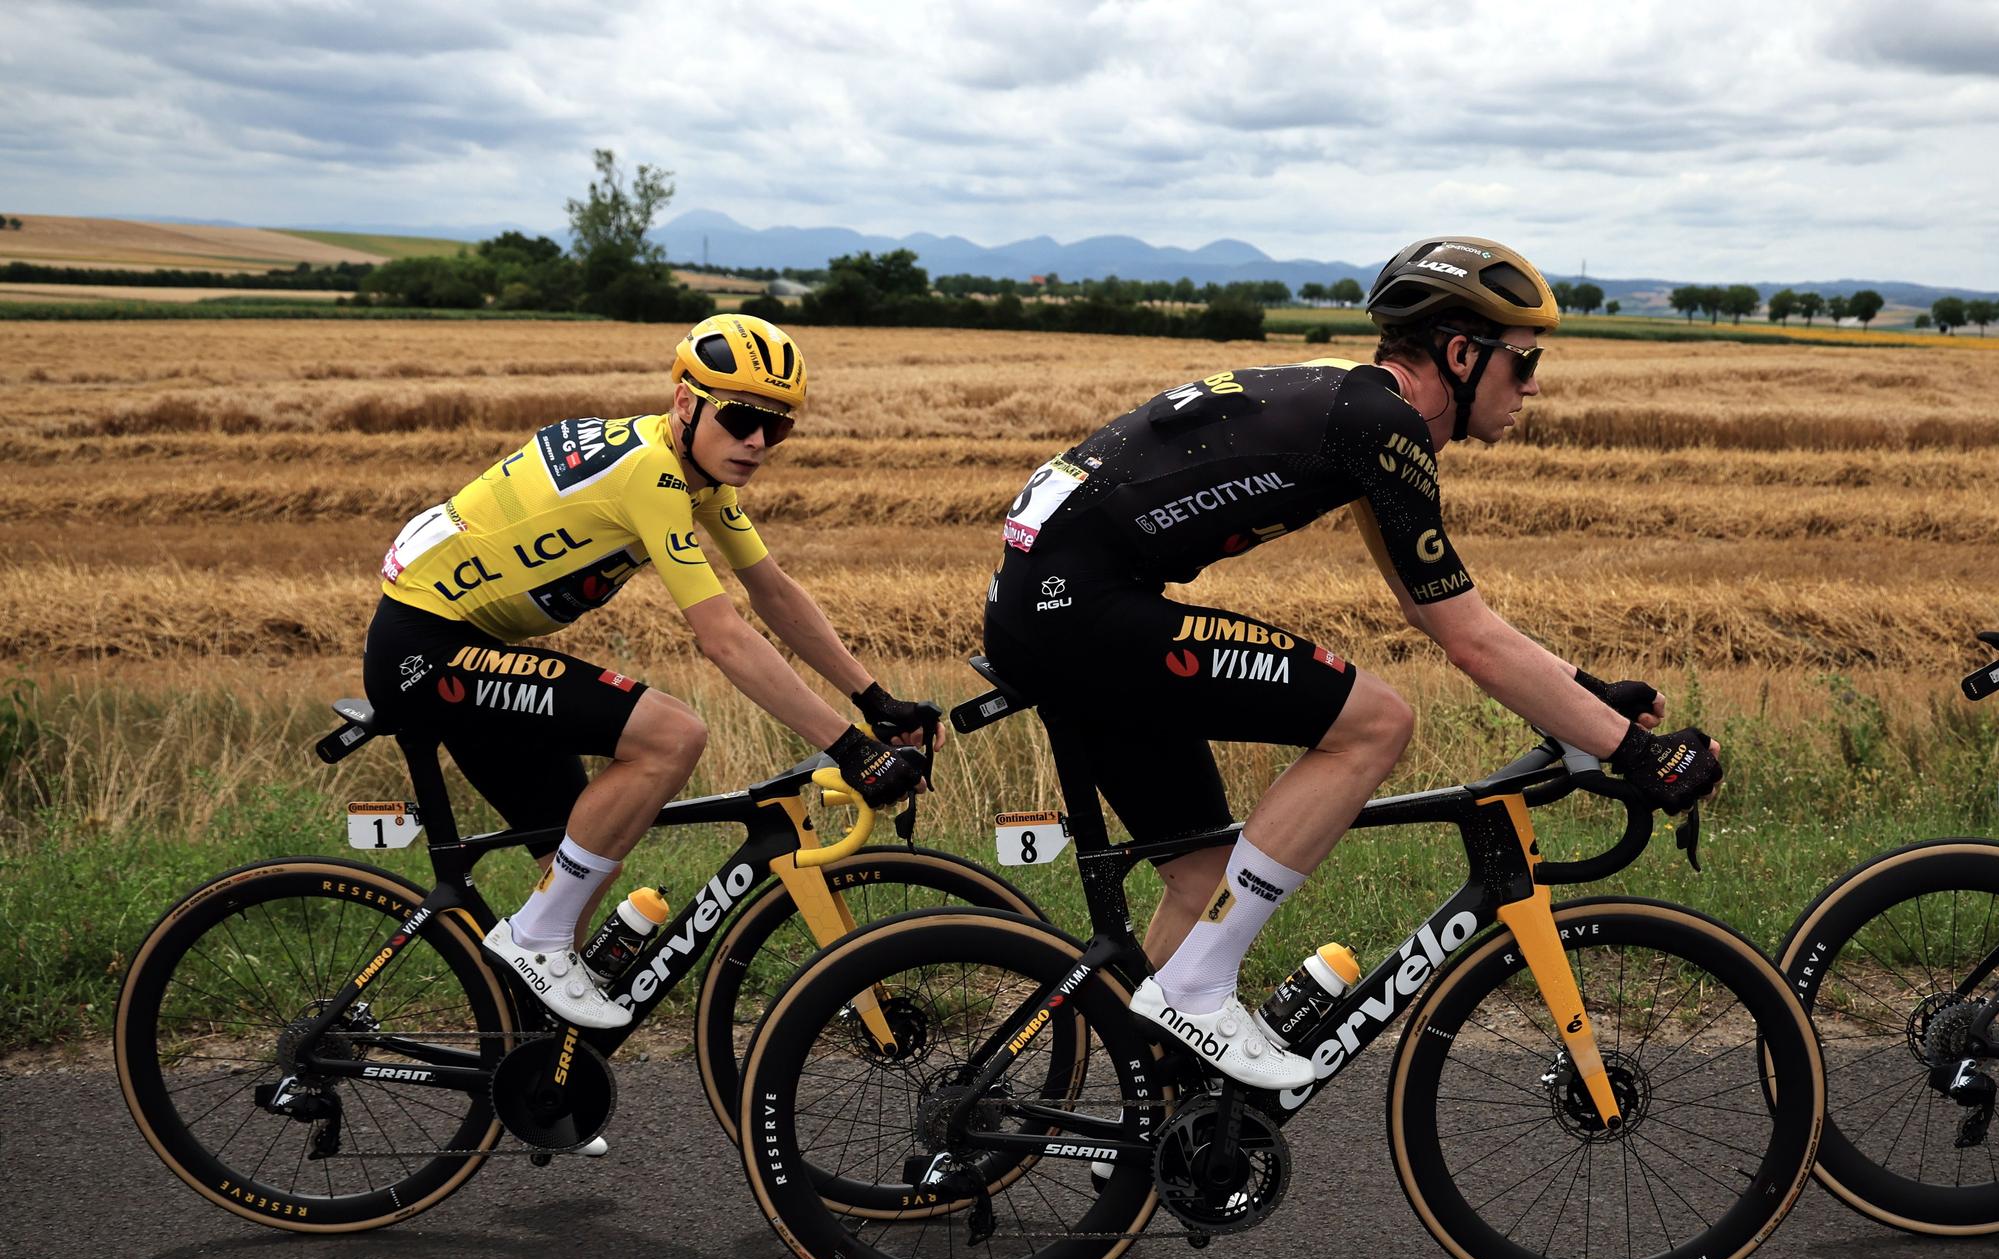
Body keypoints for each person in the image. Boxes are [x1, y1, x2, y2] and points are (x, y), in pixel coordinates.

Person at [982, 237, 1721, 1090]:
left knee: (1200, 881)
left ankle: (1121, 1103)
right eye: (1523, 362)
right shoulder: (1382, 426)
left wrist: (1585, 700)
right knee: (1376, 721)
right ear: (1460, 353)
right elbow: (1467, 640)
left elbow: (1440, 605)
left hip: (1054, 607)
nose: (1533, 386)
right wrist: (1634, 752)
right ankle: (1194, 988)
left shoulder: (1358, 406)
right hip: (1082, 615)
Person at [363, 313, 933, 1030]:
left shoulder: (692, 472)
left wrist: (876, 701)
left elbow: (773, 593)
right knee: (670, 735)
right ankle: (536, 941)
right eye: (741, 419)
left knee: (578, 861)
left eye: (776, 429)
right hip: (427, 650)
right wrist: (852, 748)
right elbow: (723, 638)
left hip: (466, 642)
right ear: (688, 403)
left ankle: (540, 1077)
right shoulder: (650, 473)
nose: (757, 443)